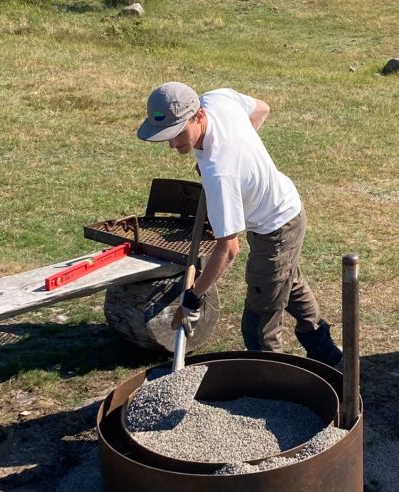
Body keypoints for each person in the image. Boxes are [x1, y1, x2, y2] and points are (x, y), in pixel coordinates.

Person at [136, 82, 343, 366]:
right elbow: (261, 109)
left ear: (198, 116)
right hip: (287, 209)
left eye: (178, 133)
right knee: (286, 283)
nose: (173, 144)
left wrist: (193, 298)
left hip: (276, 228)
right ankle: (327, 355)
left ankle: (270, 389)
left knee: (258, 326)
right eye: (166, 137)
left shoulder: (220, 172)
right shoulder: (217, 99)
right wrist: (245, 155)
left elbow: (228, 249)